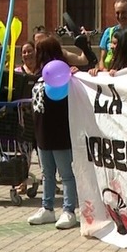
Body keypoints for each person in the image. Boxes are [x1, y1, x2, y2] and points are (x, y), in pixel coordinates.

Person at [27, 36, 79, 230]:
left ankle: (69, 210)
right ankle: (47, 208)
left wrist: (73, 75)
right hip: (43, 133)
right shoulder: (41, 75)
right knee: (47, 174)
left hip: (59, 133)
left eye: (38, 50)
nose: (34, 54)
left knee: (66, 174)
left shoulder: (63, 75)